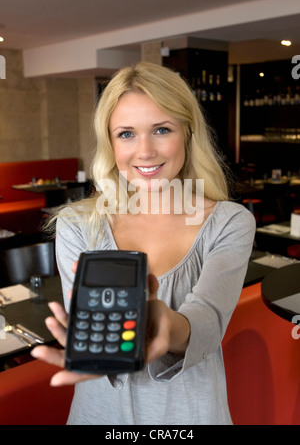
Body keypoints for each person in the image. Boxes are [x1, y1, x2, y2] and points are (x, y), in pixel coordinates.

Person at [31, 62, 256, 425]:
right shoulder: (77, 225)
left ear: (188, 133)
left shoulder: (228, 222)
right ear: (110, 142)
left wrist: (165, 322)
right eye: (126, 134)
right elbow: (93, 331)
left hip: (191, 415)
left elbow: (209, 321)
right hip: (100, 414)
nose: (145, 151)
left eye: (162, 129)